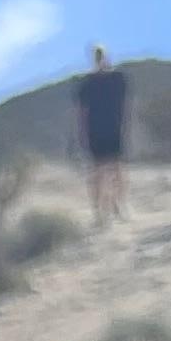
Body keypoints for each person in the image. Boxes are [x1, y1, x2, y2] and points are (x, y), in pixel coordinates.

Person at [75, 44, 132, 225]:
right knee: (97, 171)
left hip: (114, 128)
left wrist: (126, 126)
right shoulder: (87, 84)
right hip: (95, 131)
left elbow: (126, 105)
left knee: (117, 169)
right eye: (97, 57)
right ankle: (99, 211)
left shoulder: (118, 79)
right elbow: (81, 111)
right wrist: (82, 133)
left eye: (101, 56)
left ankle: (119, 204)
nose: (100, 59)